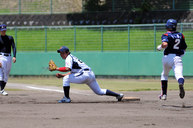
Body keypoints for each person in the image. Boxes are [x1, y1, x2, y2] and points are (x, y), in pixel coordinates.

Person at [50, 46, 124, 103]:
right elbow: (73, 72)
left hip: (84, 74)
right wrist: (63, 75)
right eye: (60, 53)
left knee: (66, 79)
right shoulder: (72, 58)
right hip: (89, 74)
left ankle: (66, 98)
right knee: (99, 91)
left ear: (67, 52)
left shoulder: (68, 58)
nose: (61, 54)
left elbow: (67, 68)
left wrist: (57, 68)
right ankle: (118, 95)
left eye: (62, 52)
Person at [157, 19, 187, 100]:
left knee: (164, 74)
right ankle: (180, 83)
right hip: (177, 58)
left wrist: (160, 47)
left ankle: (164, 95)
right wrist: (182, 53)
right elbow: (184, 48)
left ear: (167, 26)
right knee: (179, 75)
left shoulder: (166, 35)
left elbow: (165, 44)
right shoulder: (181, 35)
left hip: (167, 58)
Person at [0, 24, 16, 96]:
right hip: (1, 56)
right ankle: (2, 90)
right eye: (2, 30)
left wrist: (14, 56)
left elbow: (14, 47)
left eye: (4, 30)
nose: (3, 31)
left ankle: (2, 89)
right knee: (1, 73)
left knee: (7, 74)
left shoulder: (10, 38)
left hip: (9, 57)